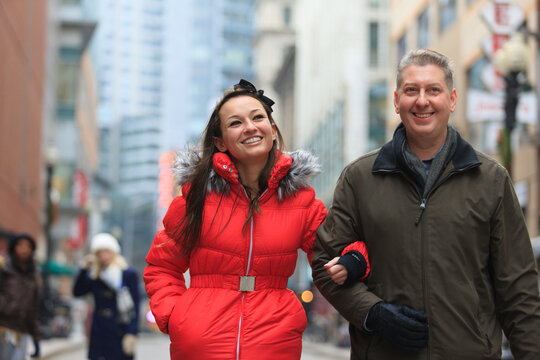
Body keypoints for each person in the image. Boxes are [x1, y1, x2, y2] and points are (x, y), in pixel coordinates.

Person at [312, 49, 540, 359]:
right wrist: (373, 313)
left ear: (452, 98)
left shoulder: (491, 180)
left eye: (433, 90)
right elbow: (324, 264)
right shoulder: (359, 178)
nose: (422, 101)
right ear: (396, 100)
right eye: (411, 90)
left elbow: (519, 289)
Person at [144, 79, 368, 360]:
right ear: (220, 142)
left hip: (275, 342)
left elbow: (341, 247)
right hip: (199, 345)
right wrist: (175, 317)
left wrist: (354, 260)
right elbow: (161, 266)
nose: (250, 127)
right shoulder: (195, 198)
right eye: (235, 123)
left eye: (258, 117)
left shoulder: (301, 200)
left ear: (272, 131)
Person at [74, 233, 140, 360]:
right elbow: (78, 292)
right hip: (99, 330)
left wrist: (132, 332)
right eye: (99, 253)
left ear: (114, 252)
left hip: (120, 329)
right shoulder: (95, 276)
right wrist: (83, 269)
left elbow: (135, 305)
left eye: (107, 252)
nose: (103, 256)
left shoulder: (127, 273)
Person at [0, 233, 41, 360]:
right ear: (14, 248)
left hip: (21, 332)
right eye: (20, 245)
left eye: (28, 246)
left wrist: (36, 337)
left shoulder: (33, 276)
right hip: (2, 328)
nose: (24, 249)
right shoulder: (4, 270)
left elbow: (33, 308)